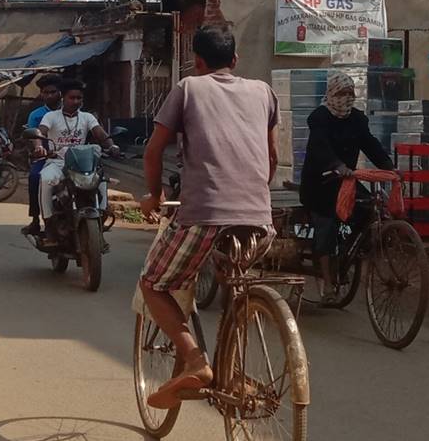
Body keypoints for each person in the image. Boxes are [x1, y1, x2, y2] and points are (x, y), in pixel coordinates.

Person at [137, 25, 278, 409]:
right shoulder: (264, 91)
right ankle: (232, 371)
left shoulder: (189, 87)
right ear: (235, 60)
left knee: (154, 285)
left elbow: (153, 152)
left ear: (197, 62)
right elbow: (271, 159)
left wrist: (154, 195)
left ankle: (196, 360)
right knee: (232, 278)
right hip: (260, 221)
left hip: (204, 215)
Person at [298, 72, 395, 306]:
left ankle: (351, 250)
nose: (346, 99)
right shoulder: (319, 118)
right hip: (320, 183)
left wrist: (389, 167)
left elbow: (370, 144)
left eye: (350, 94)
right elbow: (319, 148)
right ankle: (328, 284)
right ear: (331, 94)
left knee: (368, 209)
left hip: (347, 182)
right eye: (342, 93)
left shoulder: (357, 120)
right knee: (327, 226)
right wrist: (337, 165)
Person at [33, 79, 112, 236]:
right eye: (72, 98)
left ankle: (101, 217)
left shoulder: (87, 117)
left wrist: (112, 145)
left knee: (101, 180)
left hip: (81, 164)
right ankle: (48, 221)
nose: (76, 101)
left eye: (79, 98)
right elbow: (39, 132)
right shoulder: (51, 116)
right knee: (45, 178)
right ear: (63, 97)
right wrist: (38, 146)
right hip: (57, 162)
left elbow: (100, 133)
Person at [21, 75, 64, 236]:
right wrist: (39, 149)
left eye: (53, 92)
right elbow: (34, 137)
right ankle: (35, 220)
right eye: (45, 93)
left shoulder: (71, 112)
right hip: (45, 157)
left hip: (69, 157)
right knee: (34, 177)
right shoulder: (36, 115)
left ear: (60, 93)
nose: (49, 96)